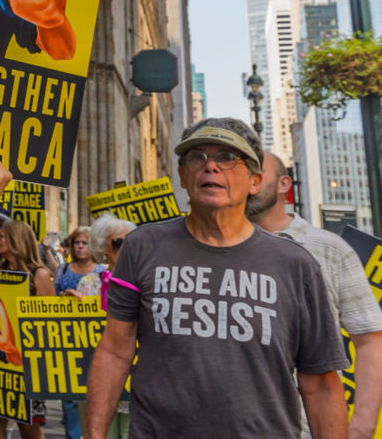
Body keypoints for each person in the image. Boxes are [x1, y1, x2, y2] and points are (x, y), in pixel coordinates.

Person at [86, 118, 350, 438]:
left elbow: (321, 384)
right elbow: (115, 350)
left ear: (255, 181)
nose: (211, 166)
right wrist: (94, 435)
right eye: (197, 156)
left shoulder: (296, 265)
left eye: (227, 157)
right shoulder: (142, 246)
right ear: (182, 176)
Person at [248, 151, 382, 439]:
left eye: (258, 173)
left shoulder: (330, 249)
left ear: (284, 184)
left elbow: (371, 340)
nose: (249, 181)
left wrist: (362, 425)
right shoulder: (210, 249)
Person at [0, 218, 54, 439]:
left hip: (28, 367)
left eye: (2, 236)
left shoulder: (39, 275)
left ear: (16, 241)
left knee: (29, 428)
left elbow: (47, 325)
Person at [83, 214, 136, 439]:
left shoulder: (144, 281)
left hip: (134, 379)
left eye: (131, 241)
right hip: (97, 374)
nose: (125, 247)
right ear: (102, 246)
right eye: (117, 242)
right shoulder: (89, 283)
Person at [55, 227, 105, 439]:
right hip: (67, 336)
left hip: (94, 339)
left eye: (85, 242)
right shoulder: (64, 268)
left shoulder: (103, 271)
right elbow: (51, 299)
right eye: (77, 243)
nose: (81, 246)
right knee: (69, 394)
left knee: (91, 392)